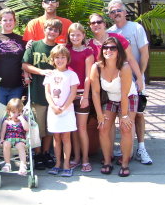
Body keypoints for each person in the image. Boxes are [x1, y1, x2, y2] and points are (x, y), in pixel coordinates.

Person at [106, 0, 152, 165]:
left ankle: (141, 147)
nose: (116, 13)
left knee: (138, 114)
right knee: (121, 114)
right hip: (118, 82)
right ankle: (125, 148)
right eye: (112, 11)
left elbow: (144, 54)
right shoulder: (109, 32)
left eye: (118, 10)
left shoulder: (136, 28)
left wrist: (140, 76)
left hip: (135, 79)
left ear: (125, 12)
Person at [90, 37, 138, 177]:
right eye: (106, 48)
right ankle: (107, 161)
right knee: (103, 127)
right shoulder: (97, 67)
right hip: (111, 98)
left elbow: (124, 94)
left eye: (113, 48)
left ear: (119, 51)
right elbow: (95, 92)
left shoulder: (124, 67)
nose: (108, 50)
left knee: (126, 128)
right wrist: (99, 114)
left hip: (128, 98)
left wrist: (124, 115)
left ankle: (125, 163)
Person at [22, 18, 62, 170]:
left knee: (50, 126)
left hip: (55, 95)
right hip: (37, 92)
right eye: (50, 29)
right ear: (45, 29)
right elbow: (25, 64)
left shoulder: (59, 49)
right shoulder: (34, 45)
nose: (52, 32)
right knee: (37, 126)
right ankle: (37, 153)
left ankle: (46, 152)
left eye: (56, 30)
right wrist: (41, 71)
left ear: (59, 33)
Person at [43, 45, 79, 177]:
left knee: (66, 138)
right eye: (57, 57)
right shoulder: (50, 74)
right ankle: (57, 164)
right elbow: (47, 92)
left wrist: (64, 107)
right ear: (53, 59)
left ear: (67, 58)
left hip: (67, 111)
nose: (60, 60)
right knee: (56, 138)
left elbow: (73, 93)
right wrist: (53, 106)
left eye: (63, 57)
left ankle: (66, 164)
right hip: (53, 111)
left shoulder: (71, 74)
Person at [66, 23, 94, 172]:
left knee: (82, 128)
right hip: (68, 94)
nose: (75, 37)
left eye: (78, 34)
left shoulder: (88, 52)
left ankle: (85, 159)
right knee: (73, 129)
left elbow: (89, 77)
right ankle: (76, 158)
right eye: (72, 34)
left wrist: (85, 96)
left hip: (82, 93)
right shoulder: (67, 50)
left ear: (83, 35)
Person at [0, 8, 26, 105]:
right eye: (5, 20)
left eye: (11, 20)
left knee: (13, 118)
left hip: (16, 87)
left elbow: (26, 60)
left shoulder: (22, 40)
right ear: (0, 22)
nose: (8, 22)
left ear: (15, 22)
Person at [0, 98, 29, 176]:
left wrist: (22, 119)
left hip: (20, 140)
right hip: (8, 139)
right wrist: (1, 139)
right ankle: (7, 164)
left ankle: (23, 165)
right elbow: (3, 131)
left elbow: (27, 128)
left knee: (20, 146)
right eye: (14, 112)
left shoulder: (23, 120)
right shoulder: (6, 121)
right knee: (6, 144)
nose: (16, 114)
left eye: (19, 112)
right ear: (9, 112)